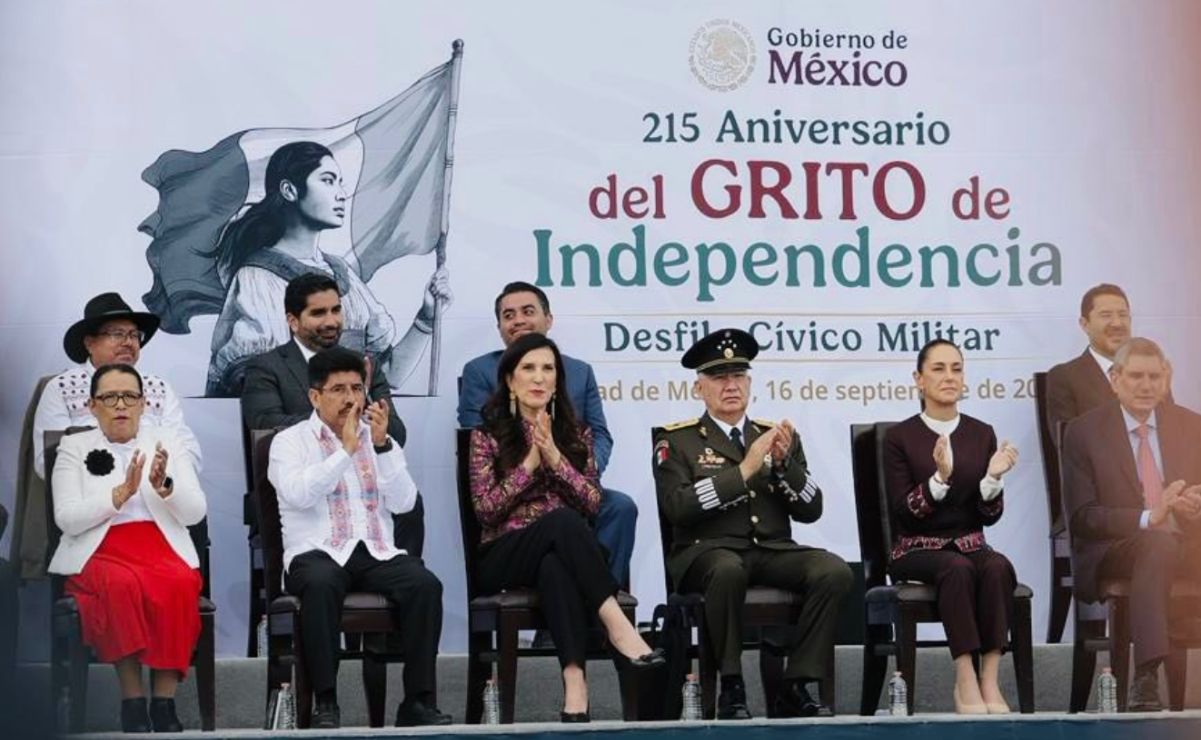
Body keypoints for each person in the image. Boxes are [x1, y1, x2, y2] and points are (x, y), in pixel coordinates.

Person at [653, 328, 851, 719]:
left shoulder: (774, 435)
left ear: (750, 382)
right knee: (727, 569)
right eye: (719, 377)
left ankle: (796, 684)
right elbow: (678, 508)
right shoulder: (676, 441)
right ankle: (731, 685)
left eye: (738, 376)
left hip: (771, 550)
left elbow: (812, 509)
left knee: (834, 571)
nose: (731, 386)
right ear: (699, 388)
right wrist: (743, 471)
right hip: (706, 553)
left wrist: (783, 466)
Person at [468, 333, 664, 723]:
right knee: (560, 522)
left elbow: (593, 503)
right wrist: (529, 465)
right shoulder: (486, 436)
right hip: (503, 553)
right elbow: (486, 511)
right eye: (528, 368)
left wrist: (557, 458)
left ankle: (575, 683)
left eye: (547, 369)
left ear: (558, 381)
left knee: (556, 564)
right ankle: (616, 624)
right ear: (510, 380)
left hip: (560, 550)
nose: (538, 377)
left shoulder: (576, 435)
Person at [267, 347, 450, 728]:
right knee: (321, 582)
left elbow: (404, 503)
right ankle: (326, 702)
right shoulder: (289, 442)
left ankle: (417, 701)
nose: (351, 398)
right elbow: (300, 493)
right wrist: (345, 451)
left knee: (424, 584)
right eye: (338, 389)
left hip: (374, 550)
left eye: (356, 388)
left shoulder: (378, 438)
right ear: (315, 396)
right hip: (315, 551)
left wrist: (381, 447)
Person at [206, 140, 451, 396]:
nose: (341, 193)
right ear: (289, 190)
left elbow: (389, 375)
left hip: (353, 429)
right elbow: (257, 388)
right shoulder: (258, 278)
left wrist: (427, 316)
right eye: (328, 180)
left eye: (340, 182)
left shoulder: (342, 272)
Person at [47, 364, 206, 733]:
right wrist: (118, 496)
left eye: (130, 396)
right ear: (91, 406)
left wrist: (165, 486)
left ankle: (164, 703)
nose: (120, 404)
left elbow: (195, 512)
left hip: (159, 545)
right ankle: (132, 702)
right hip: (98, 548)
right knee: (120, 586)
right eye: (109, 397)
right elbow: (67, 519)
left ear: (144, 403)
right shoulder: (73, 446)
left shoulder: (168, 442)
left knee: (179, 583)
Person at [458, 281, 636, 586]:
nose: (519, 321)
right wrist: (531, 457)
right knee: (558, 525)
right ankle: (606, 616)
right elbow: (472, 436)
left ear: (548, 319)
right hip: (513, 482)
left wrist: (579, 468)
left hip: (571, 478)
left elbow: (600, 434)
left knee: (619, 506)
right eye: (509, 315)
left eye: (528, 312)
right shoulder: (481, 370)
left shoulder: (579, 372)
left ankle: (609, 599)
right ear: (500, 326)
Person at [1062, 337, 1201, 712]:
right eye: (1136, 376)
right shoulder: (1083, 432)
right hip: (1115, 547)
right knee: (1158, 544)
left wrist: (1194, 508)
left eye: (1154, 376)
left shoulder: (1191, 426)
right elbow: (1082, 517)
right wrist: (1148, 517)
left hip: (1184, 544)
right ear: (1115, 379)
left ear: (1167, 378)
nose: (1146, 385)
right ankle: (1146, 675)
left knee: (1168, 546)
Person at [882, 339, 1021, 714]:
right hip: (916, 549)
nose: (949, 377)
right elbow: (904, 514)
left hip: (971, 544)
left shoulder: (981, 433)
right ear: (919, 379)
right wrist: (939, 479)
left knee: (997, 567)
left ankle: (990, 678)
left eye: (956, 368)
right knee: (955, 568)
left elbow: (989, 515)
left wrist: (992, 479)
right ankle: (964, 679)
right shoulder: (899, 438)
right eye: (938, 369)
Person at [242, 272, 423, 554]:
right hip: (305, 490)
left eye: (336, 310)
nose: (331, 321)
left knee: (411, 503)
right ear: (293, 321)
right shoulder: (266, 368)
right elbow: (265, 424)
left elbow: (396, 433)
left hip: (366, 487)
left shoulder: (363, 365)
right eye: (318, 313)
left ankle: (402, 578)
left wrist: (367, 412)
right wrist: (338, 418)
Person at [1045, 284, 1134, 437]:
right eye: (1106, 315)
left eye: (1122, 315)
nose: (1117, 323)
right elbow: (1070, 445)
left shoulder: (1152, 372)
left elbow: (1169, 432)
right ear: (1085, 324)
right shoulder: (1065, 377)